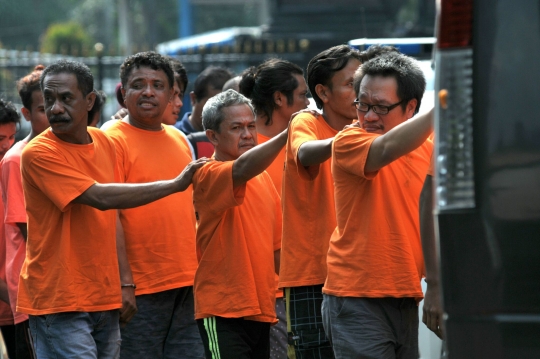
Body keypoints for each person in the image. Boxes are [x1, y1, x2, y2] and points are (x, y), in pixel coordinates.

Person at [18, 59, 207, 359]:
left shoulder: (105, 142)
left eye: (66, 98)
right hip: (60, 298)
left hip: (104, 295)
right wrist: (174, 184)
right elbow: (102, 198)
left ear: (89, 100)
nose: (55, 109)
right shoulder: (39, 152)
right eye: (49, 100)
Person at [321, 52, 433, 359]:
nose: (369, 116)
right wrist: (447, 105)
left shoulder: (429, 147)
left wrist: (435, 284)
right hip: (356, 296)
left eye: (381, 107)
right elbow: (386, 148)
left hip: (406, 294)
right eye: (363, 105)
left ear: (411, 107)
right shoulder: (349, 140)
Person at [105, 51, 205, 358]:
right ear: (123, 93)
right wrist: (125, 284)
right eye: (139, 84)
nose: (148, 91)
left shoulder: (180, 139)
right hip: (140, 288)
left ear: (171, 93)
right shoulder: (109, 140)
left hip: (188, 283)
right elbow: (110, 215)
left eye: (157, 85)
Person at [279, 45, 362, 359]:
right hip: (313, 275)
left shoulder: (370, 130)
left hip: (359, 274)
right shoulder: (306, 123)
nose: (359, 93)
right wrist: (349, 138)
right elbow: (305, 152)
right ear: (323, 92)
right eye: (351, 84)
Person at [192, 89, 286, 359]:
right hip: (222, 310)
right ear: (213, 136)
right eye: (236, 128)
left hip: (261, 309)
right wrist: (288, 134)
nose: (247, 134)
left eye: (250, 126)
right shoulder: (207, 173)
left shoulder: (263, 179)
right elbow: (241, 169)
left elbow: (277, 249)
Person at [239, 58, 309, 359]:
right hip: (267, 291)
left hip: (307, 280)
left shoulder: (306, 142)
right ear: (280, 98)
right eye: (304, 94)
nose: (309, 103)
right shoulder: (247, 152)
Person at [0, 64, 49, 359]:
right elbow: (25, 232)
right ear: (28, 113)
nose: (6, 146)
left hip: (28, 295)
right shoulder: (17, 161)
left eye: (9, 138)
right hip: (29, 292)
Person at [0, 98, 19, 359]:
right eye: (0, 137)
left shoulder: (17, 167)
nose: (6, 144)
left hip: (16, 306)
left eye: (11, 136)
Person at [175, 66, 233, 134]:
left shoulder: (234, 138)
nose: (220, 113)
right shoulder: (175, 135)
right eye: (213, 106)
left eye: (228, 106)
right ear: (194, 99)